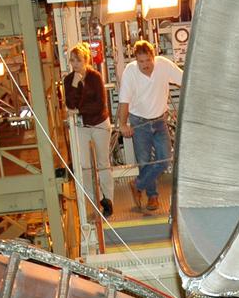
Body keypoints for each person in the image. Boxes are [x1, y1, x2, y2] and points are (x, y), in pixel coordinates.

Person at [117, 40, 182, 212]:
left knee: (164, 159)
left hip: (159, 120)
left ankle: (137, 185)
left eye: (147, 61)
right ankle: (152, 196)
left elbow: (185, 79)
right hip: (139, 122)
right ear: (135, 60)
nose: (145, 65)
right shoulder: (130, 72)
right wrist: (123, 124)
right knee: (144, 161)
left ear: (154, 57)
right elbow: (124, 101)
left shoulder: (164, 65)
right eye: (141, 62)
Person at [63, 43, 114, 218]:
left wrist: (78, 111)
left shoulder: (95, 77)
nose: (74, 64)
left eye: (78, 60)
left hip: (99, 123)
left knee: (103, 164)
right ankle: (97, 200)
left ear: (86, 60)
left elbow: (99, 105)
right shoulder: (69, 80)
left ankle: (109, 200)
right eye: (72, 60)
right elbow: (70, 104)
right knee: (83, 166)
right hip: (81, 127)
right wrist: (76, 86)